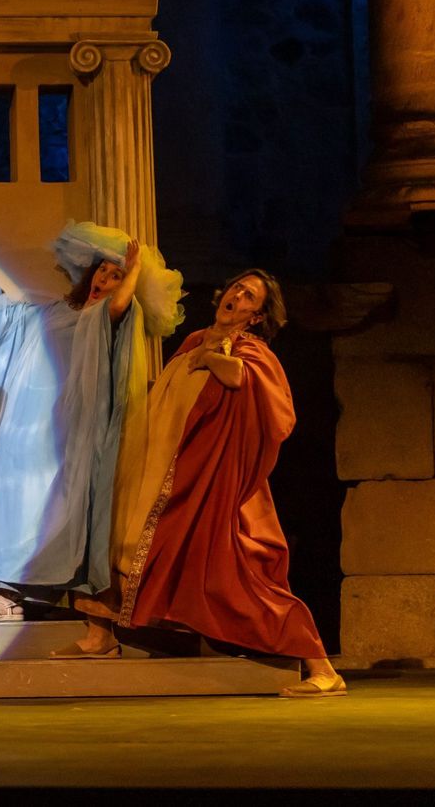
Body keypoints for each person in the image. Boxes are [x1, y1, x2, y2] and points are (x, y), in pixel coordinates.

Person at [118, 270, 346, 697]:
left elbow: (267, 399)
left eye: (249, 296)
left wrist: (215, 361)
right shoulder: (191, 342)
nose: (238, 296)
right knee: (176, 564)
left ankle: (322, 666)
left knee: (237, 576)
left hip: (221, 486)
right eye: (237, 288)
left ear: (256, 316)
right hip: (183, 479)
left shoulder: (252, 351)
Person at [0, 223, 183, 646]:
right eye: (102, 271)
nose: (104, 280)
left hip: (64, 435)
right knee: (8, 508)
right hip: (21, 430)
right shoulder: (56, 311)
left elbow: (118, 307)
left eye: (114, 276)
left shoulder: (107, 317)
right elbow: (7, 316)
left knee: (52, 514)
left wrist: (134, 273)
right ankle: (5, 594)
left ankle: (26, 598)